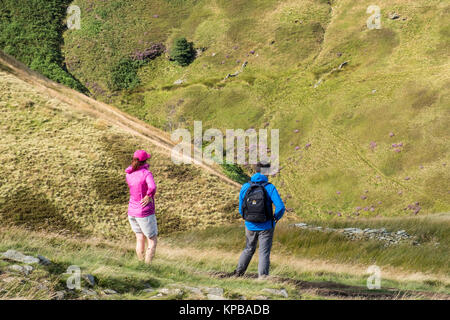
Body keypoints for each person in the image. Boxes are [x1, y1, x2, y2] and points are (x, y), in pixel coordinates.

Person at [234, 162, 285, 278]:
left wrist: (247, 219)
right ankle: (262, 278)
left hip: (250, 225)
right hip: (266, 226)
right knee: (264, 252)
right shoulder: (270, 187)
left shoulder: (245, 186)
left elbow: (241, 208)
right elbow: (281, 207)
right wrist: (275, 219)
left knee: (248, 249)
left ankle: (238, 273)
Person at [125, 149, 158, 264]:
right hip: (144, 212)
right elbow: (152, 187)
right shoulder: (146, 174)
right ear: (145, 161)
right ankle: (148, 266)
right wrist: (149, 195)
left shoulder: (129, 174)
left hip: (132, 212)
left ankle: (140, 264)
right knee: (152, 240)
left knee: (139, 238)